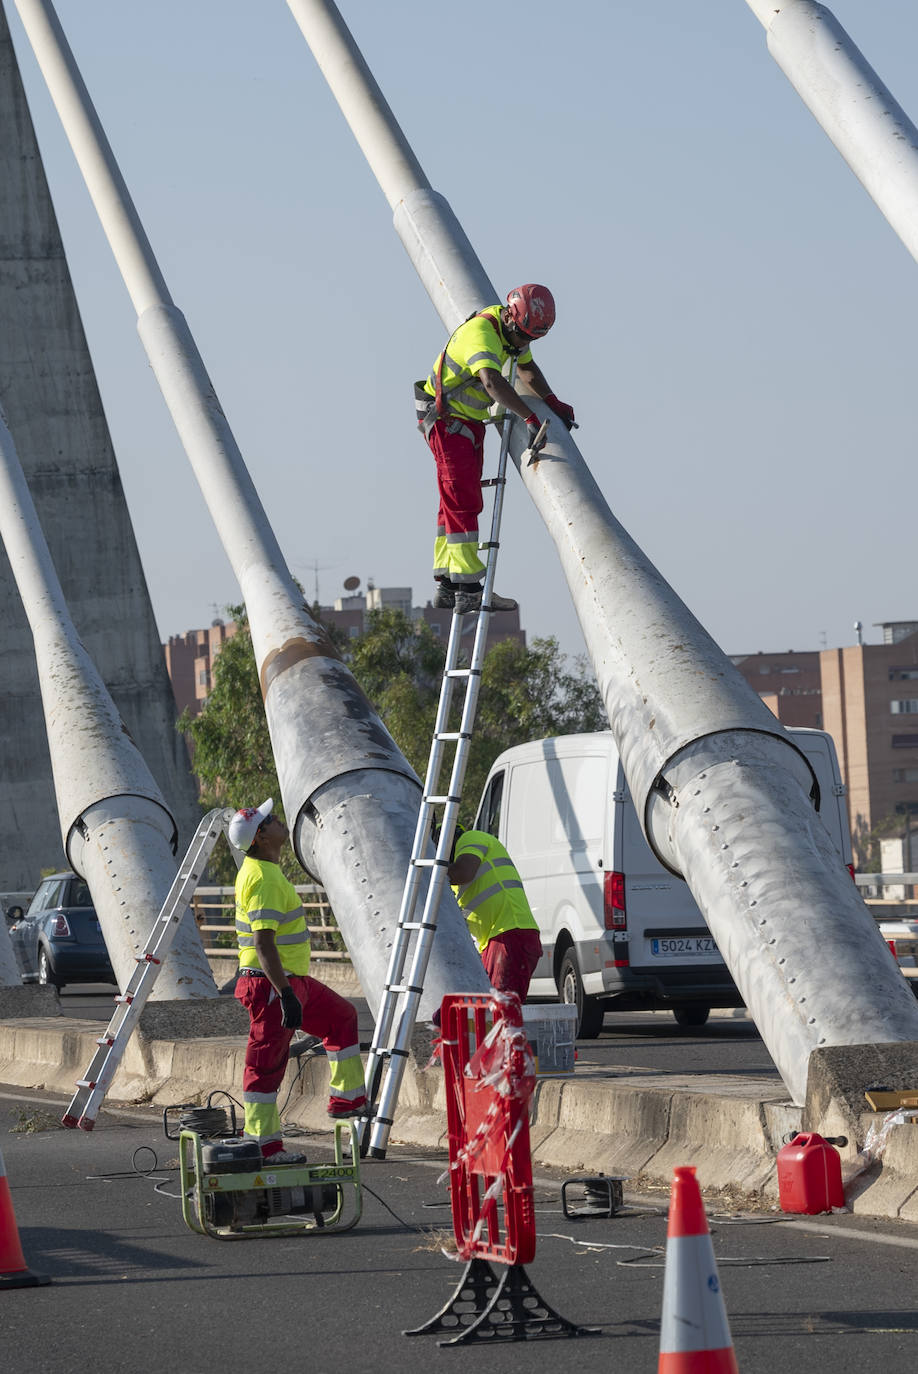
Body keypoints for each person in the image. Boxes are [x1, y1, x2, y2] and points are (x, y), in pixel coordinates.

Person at [415, 284, 576, 616]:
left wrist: (552, 401)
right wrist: (529, 416)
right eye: (524, 337)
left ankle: (447, 585)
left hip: (465, 422)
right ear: (512, 319)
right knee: (464, 501)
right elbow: (491, 380)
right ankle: (470, 590)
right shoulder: (482, 332)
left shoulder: (512, 335)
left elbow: (526, 369)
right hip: (446, 420)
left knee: (453, 501)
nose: (524, 345)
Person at [230, 799, 366, 1164]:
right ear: (260, 837)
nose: (279, 822)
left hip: (291, 982)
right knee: (266, 1066)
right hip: (273, 985)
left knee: (342, 1017)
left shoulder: (265, 871)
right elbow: (263, 943)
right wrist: (285, 993)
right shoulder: (262, 878)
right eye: (271, 820)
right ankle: (263, 1148)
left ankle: (346, 1100)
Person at [444, 823, 543, 1003]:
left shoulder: (471, 838)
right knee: (487, 1010)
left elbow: (463, 872)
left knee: (500, 1012)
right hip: (498, 940)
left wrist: (430, 870)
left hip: (509, 933)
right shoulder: (454, 882)